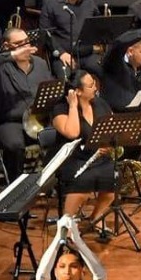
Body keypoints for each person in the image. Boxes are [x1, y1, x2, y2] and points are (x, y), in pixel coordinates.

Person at [0, 26, 54, 181]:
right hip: (10, 122)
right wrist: (12, 55)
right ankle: (16, 186)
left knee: (64, 137)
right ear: (7, 46)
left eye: (27, 42)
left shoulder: (40, 64)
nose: (25, 47)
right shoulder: (0, 67)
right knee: (15, 145)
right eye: (19, 44)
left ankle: (50, 182)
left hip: (39, 120)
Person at [50, 70, 116, 220]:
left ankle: (96, 217)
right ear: (77, 91)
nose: (95, 88)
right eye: (91, 85)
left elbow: (112, 128)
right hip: (72, 159)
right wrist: (73, 106)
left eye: (94, 83)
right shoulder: (60, 108)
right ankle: (67, 222)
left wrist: (108, 144)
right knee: (84, 182)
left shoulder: (100, 103)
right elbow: (72, 133)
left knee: (113, 178)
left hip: (97, 157)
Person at [38, 0, 102, 77]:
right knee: (66, 77)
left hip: (87, 54)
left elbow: (99, 26)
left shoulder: (89, 3)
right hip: (64, 55)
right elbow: (45, 34)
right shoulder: (51, 5)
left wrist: (98, 46)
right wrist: (61, 53)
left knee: (107, 70)